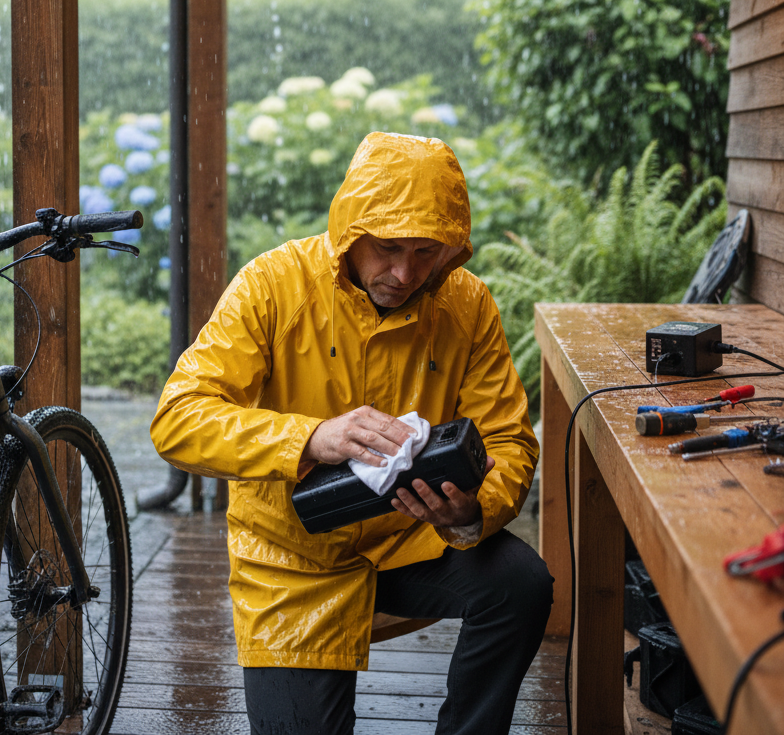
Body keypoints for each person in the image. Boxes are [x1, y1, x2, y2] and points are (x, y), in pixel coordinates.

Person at [151, 131, 552, 735]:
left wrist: (472, 511)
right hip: (291, 561)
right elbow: (177, 419)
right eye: (388, 246)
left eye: (426, 251)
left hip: (412, 539)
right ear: (351, 231)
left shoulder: (468, 304)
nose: (404, 272)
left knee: (520, 583)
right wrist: (308, 439)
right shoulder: (271, 284)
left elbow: (510, 441)